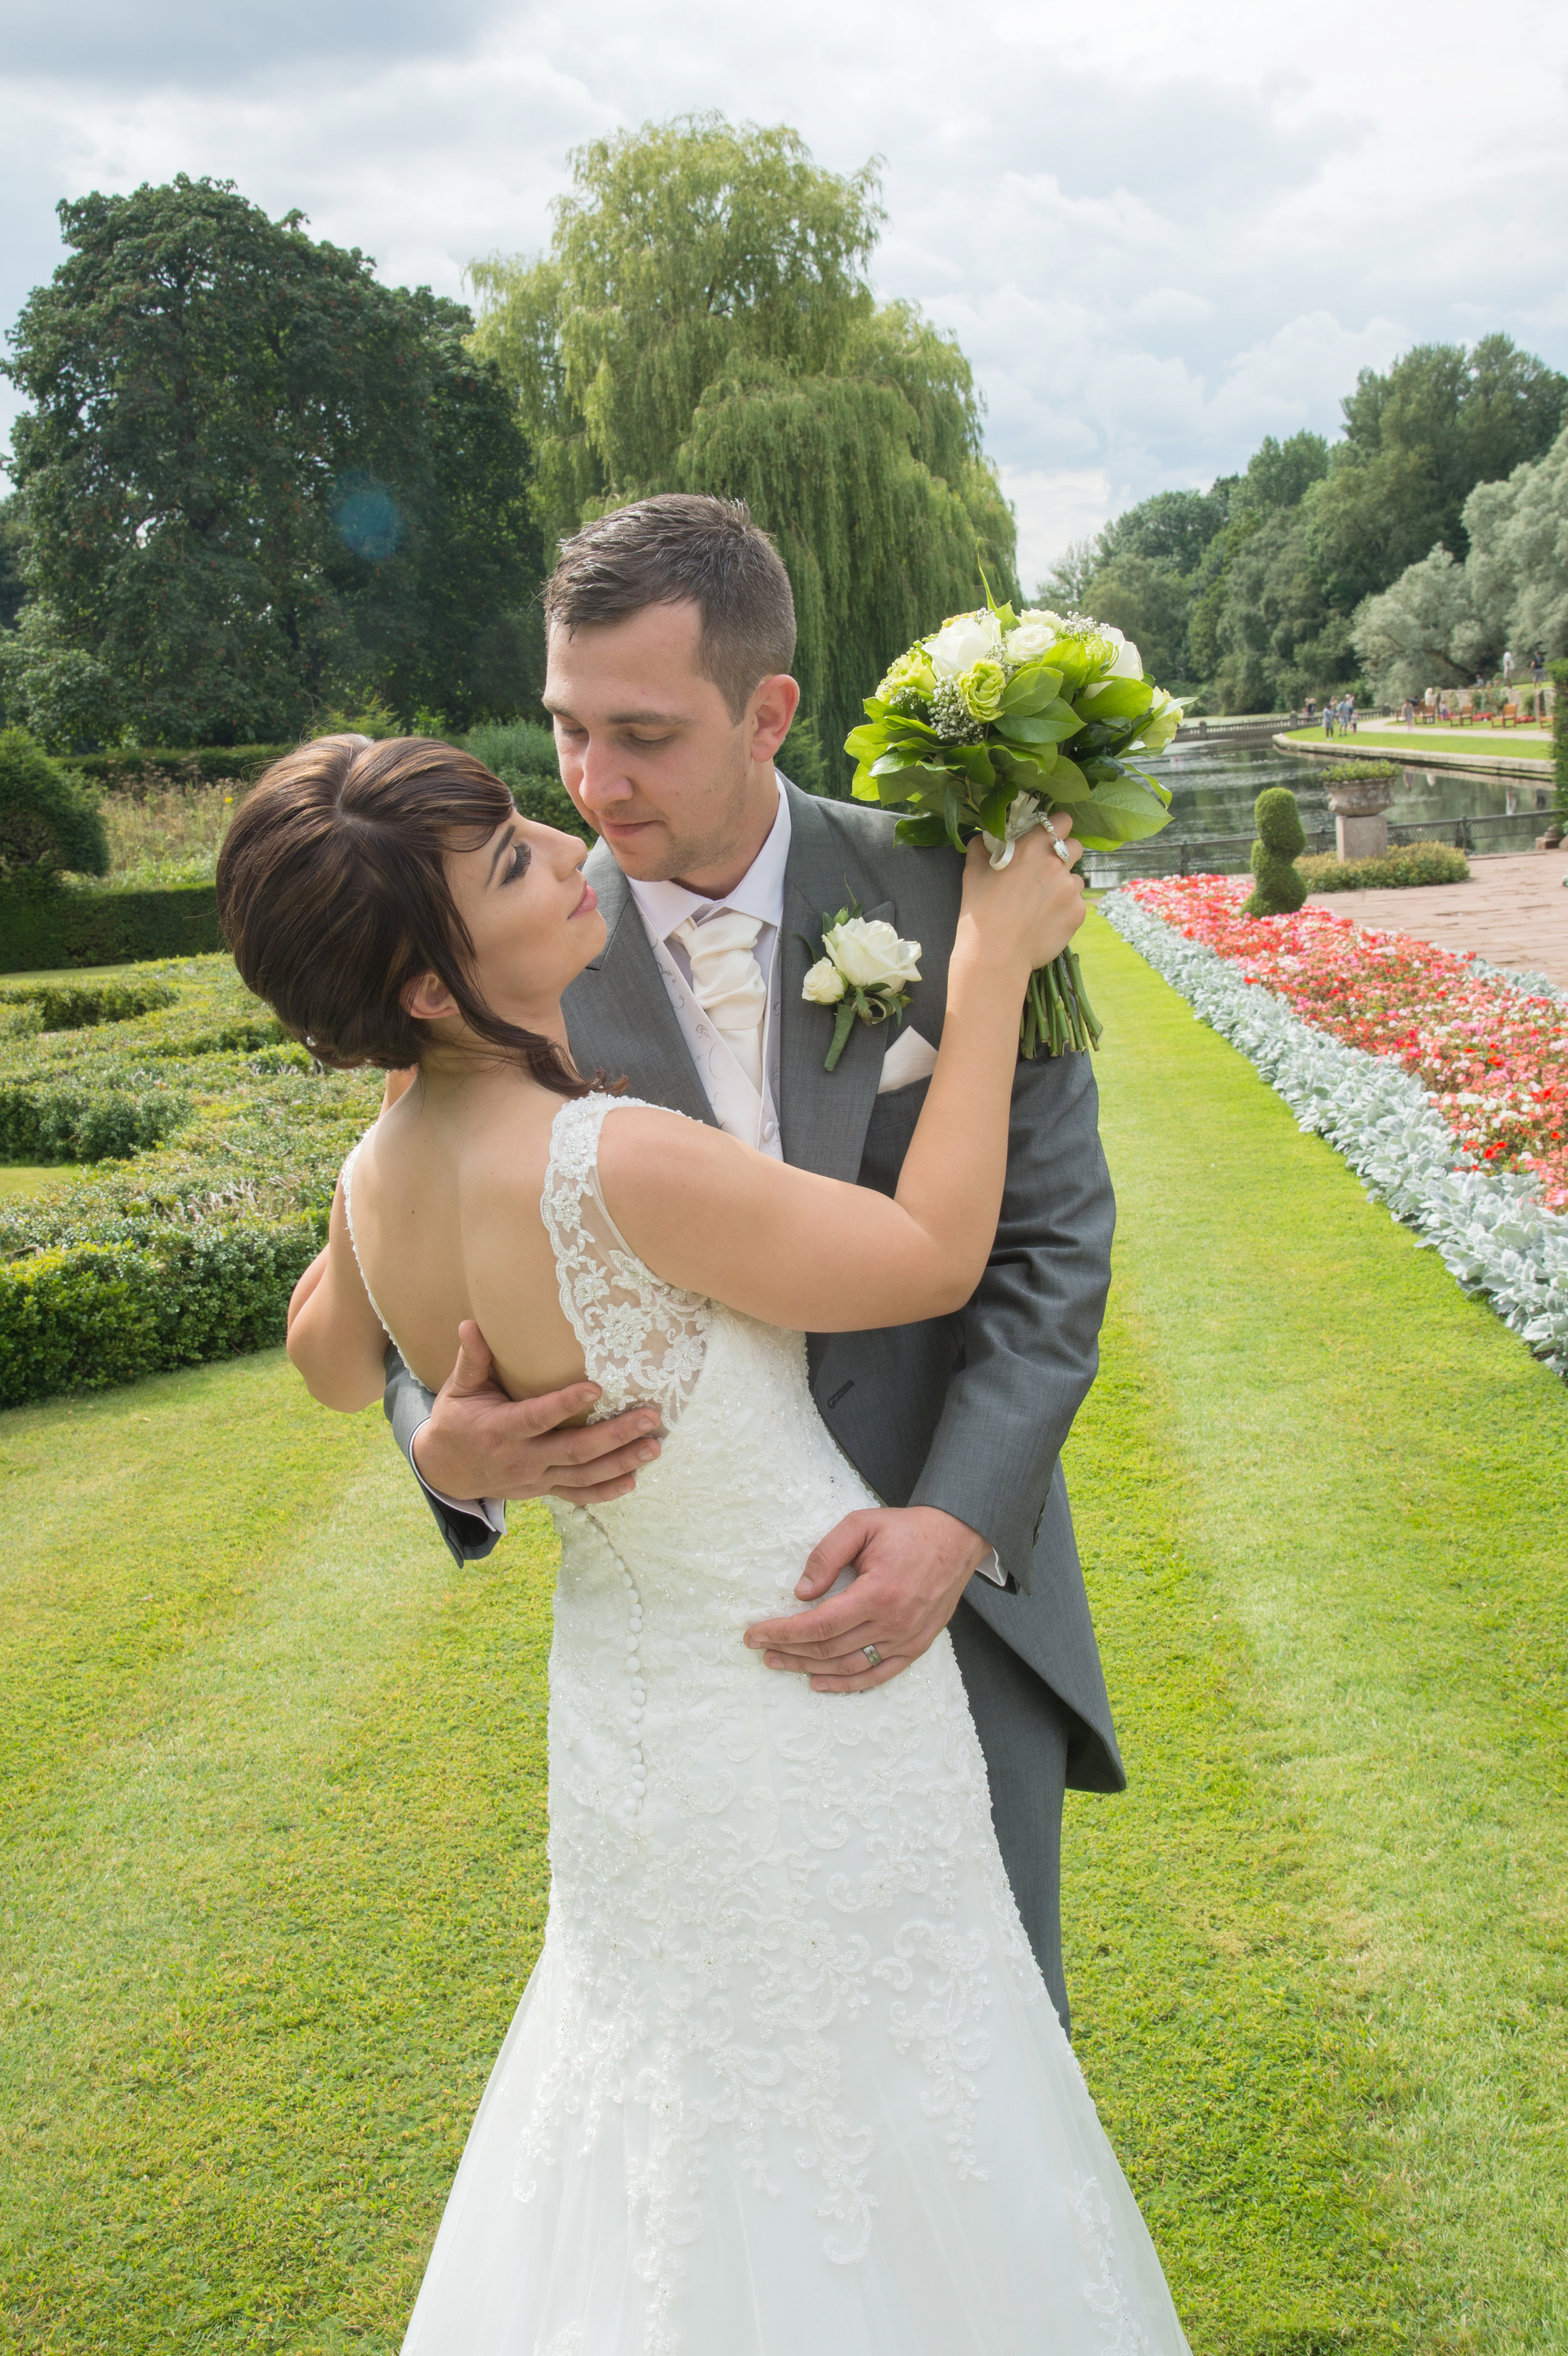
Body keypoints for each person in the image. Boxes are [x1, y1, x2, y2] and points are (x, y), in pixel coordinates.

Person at [216, 722, 1190, 2351]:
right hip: (808, 1693)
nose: (564, 838)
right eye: (513, 861)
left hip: (627, 1719)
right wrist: (1001, 964)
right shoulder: (613, 1161)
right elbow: (936, 1252)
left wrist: (445, 1426)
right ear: (429, 984)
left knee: (670, 2090)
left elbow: (329, 1354)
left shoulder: (374, 1166)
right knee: (890, 2090)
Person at [379, 499, 1122, 2043]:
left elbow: (1048, 1250)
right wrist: (439, 1446)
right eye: (568, 730)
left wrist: (955, 1523)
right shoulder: (503, 951)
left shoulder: (956, 896)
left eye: (641, 734)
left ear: (769, 708)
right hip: (698, 1654)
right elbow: (398, 1243)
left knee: (986, 2062)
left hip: (956, 1602)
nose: (591, 786)